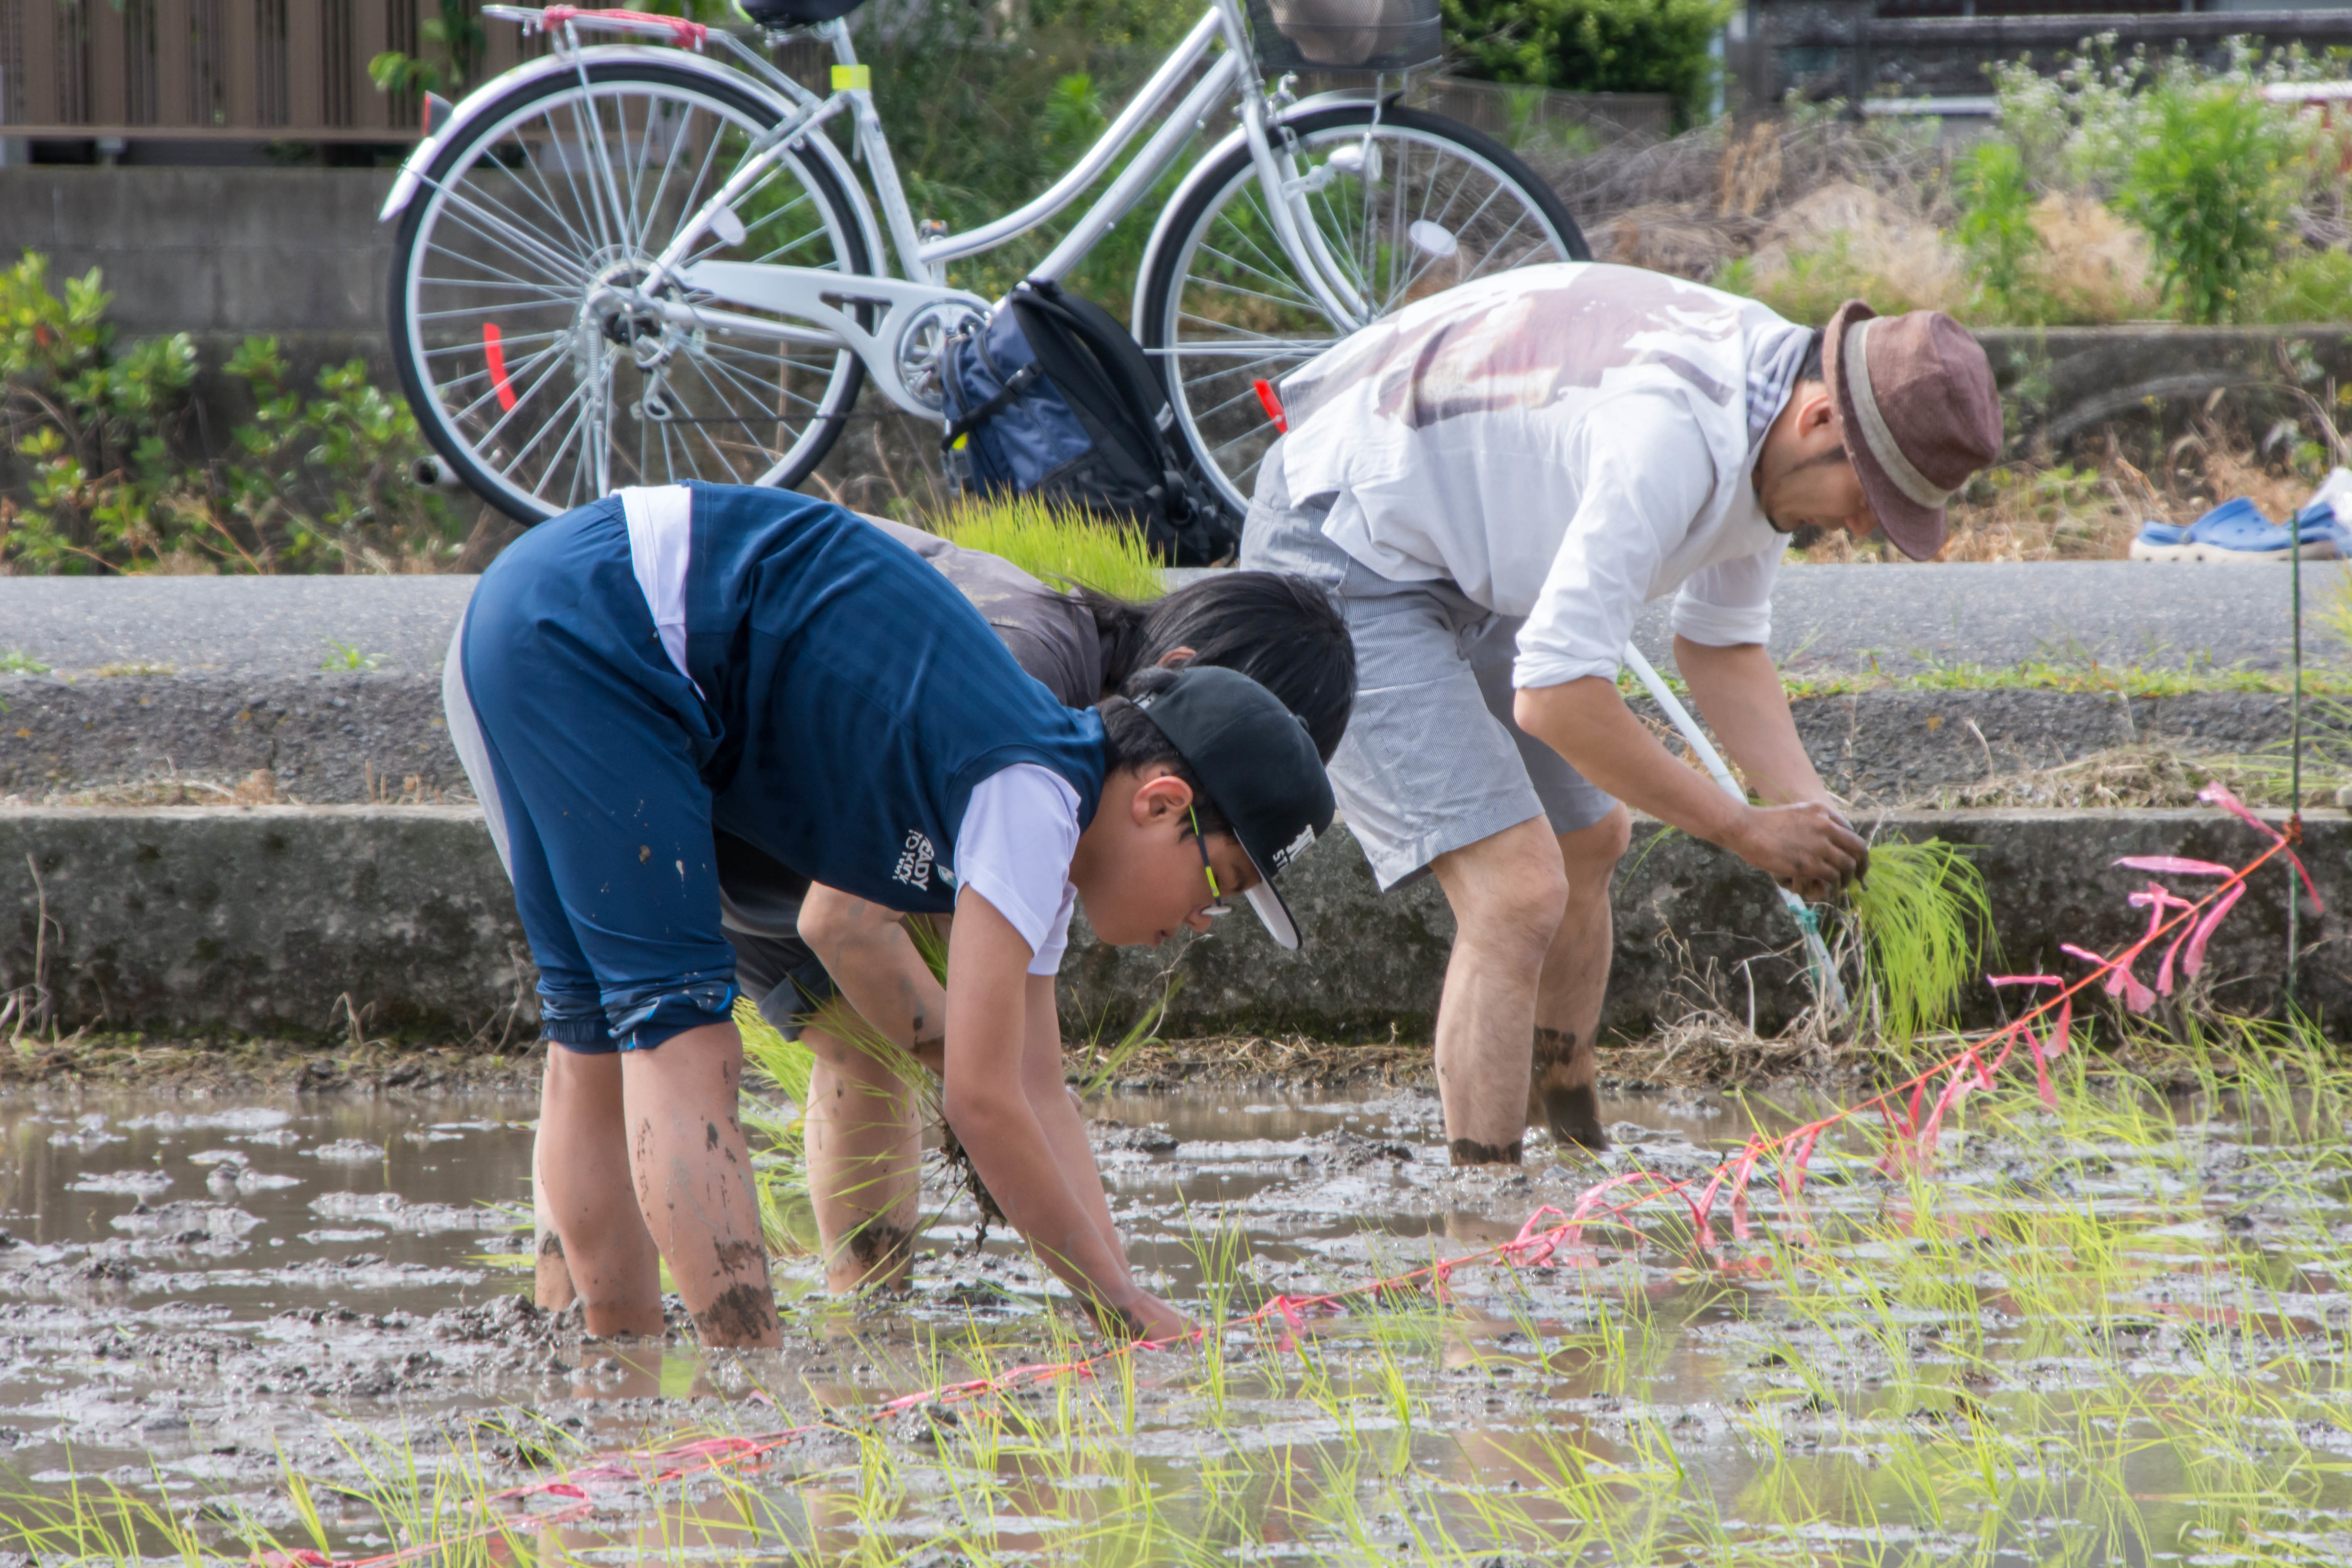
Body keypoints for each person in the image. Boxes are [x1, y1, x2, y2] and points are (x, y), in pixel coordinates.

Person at [444, 483, 1336, 1347]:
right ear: (1160, 802)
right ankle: (747, 1383)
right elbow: (983, 1101)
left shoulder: (1047, 799)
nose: (1203, 921)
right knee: (681, 1033)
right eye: (1220, 883)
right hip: (608, 621)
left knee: (594, 1038)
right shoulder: (1029, 790)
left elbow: (1038, 1091)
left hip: (546, 605)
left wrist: (1125, 1303)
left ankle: (621, 1383)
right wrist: (1121, 1306)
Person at [1241, 263, 2003, 1163]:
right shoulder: (1673, 436)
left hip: (1459, 546)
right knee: (1515, 889)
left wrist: (1808, 814)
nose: (1866, 529)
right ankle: (1485, 1227)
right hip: (1345, 536)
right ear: (1822, 419)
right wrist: (1743, 829)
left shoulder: (1771, 414)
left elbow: (1721, 644)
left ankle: (1572, 1142)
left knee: (1590, 840)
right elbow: (1558, 696)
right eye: (1873, 501)